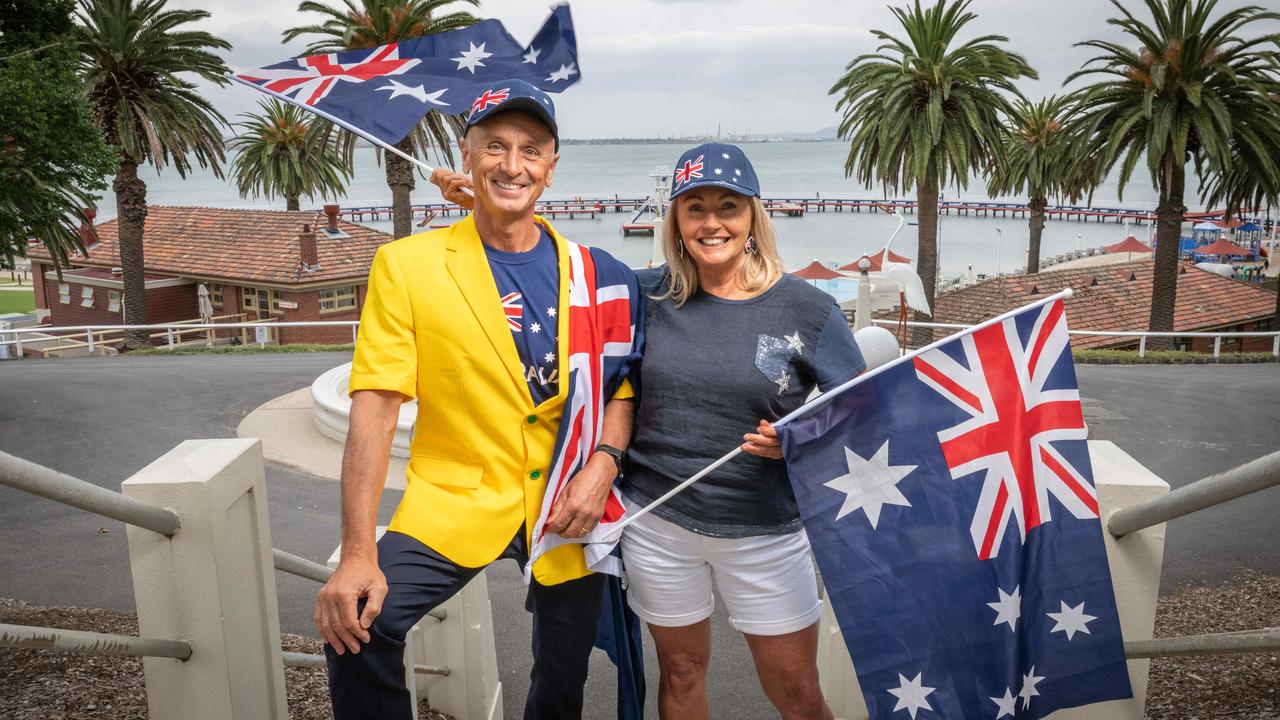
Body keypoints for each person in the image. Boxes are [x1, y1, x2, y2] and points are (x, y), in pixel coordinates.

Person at [317, 79, 642, 720]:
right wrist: (357, 553)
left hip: (567, 498)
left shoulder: (600, 272)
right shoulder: (406, 265)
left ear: (551, 167)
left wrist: (601, 466)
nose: (511, 163)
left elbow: (620, 383)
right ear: (466, 156)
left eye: (530, 150)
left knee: (562, 676)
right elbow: (378, 404)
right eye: (494, 146)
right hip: (456, 495)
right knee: (358, 624)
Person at [622, 143, 865, 720]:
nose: (712, 223)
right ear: (676, 222)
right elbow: (549, 274)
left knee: (797, 694)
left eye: (728, 206)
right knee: (680, 673)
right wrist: (481, 199)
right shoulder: (644, 296)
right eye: (695, 208)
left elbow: (861, 409)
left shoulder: (807, 308)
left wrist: (799, 438)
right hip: (657, 522)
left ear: (753, 217)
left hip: (765, 533)